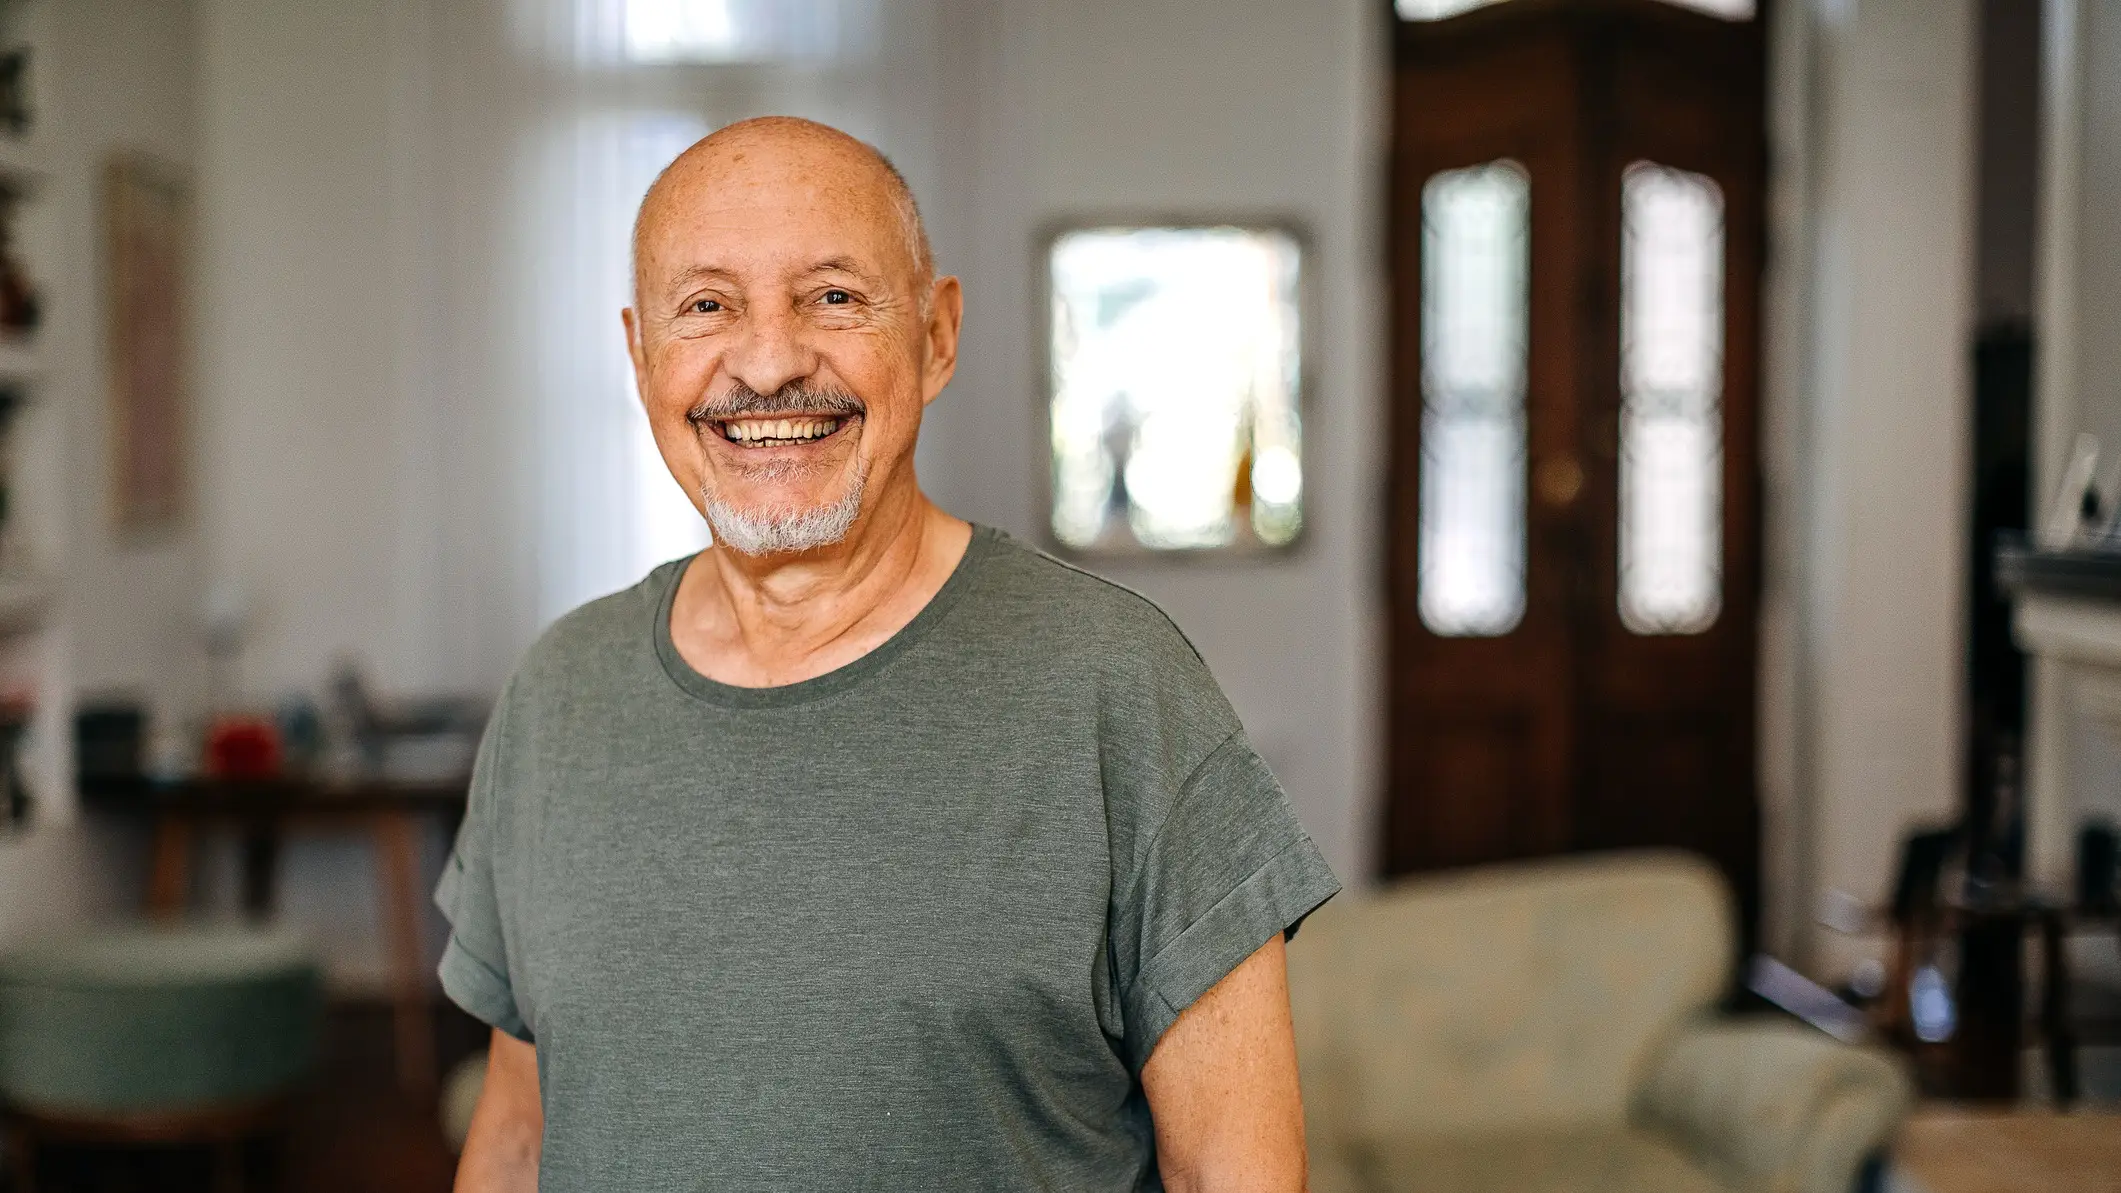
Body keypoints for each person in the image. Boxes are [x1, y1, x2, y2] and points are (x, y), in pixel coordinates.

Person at [441, 115, 1340, 1191]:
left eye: (831, 296)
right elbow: (518, 1135)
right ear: (641, 356)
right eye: (707, 306)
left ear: (937, 334)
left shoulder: (1117, 684)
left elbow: (1233, 1171)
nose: (768, 361)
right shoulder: (557, 694)